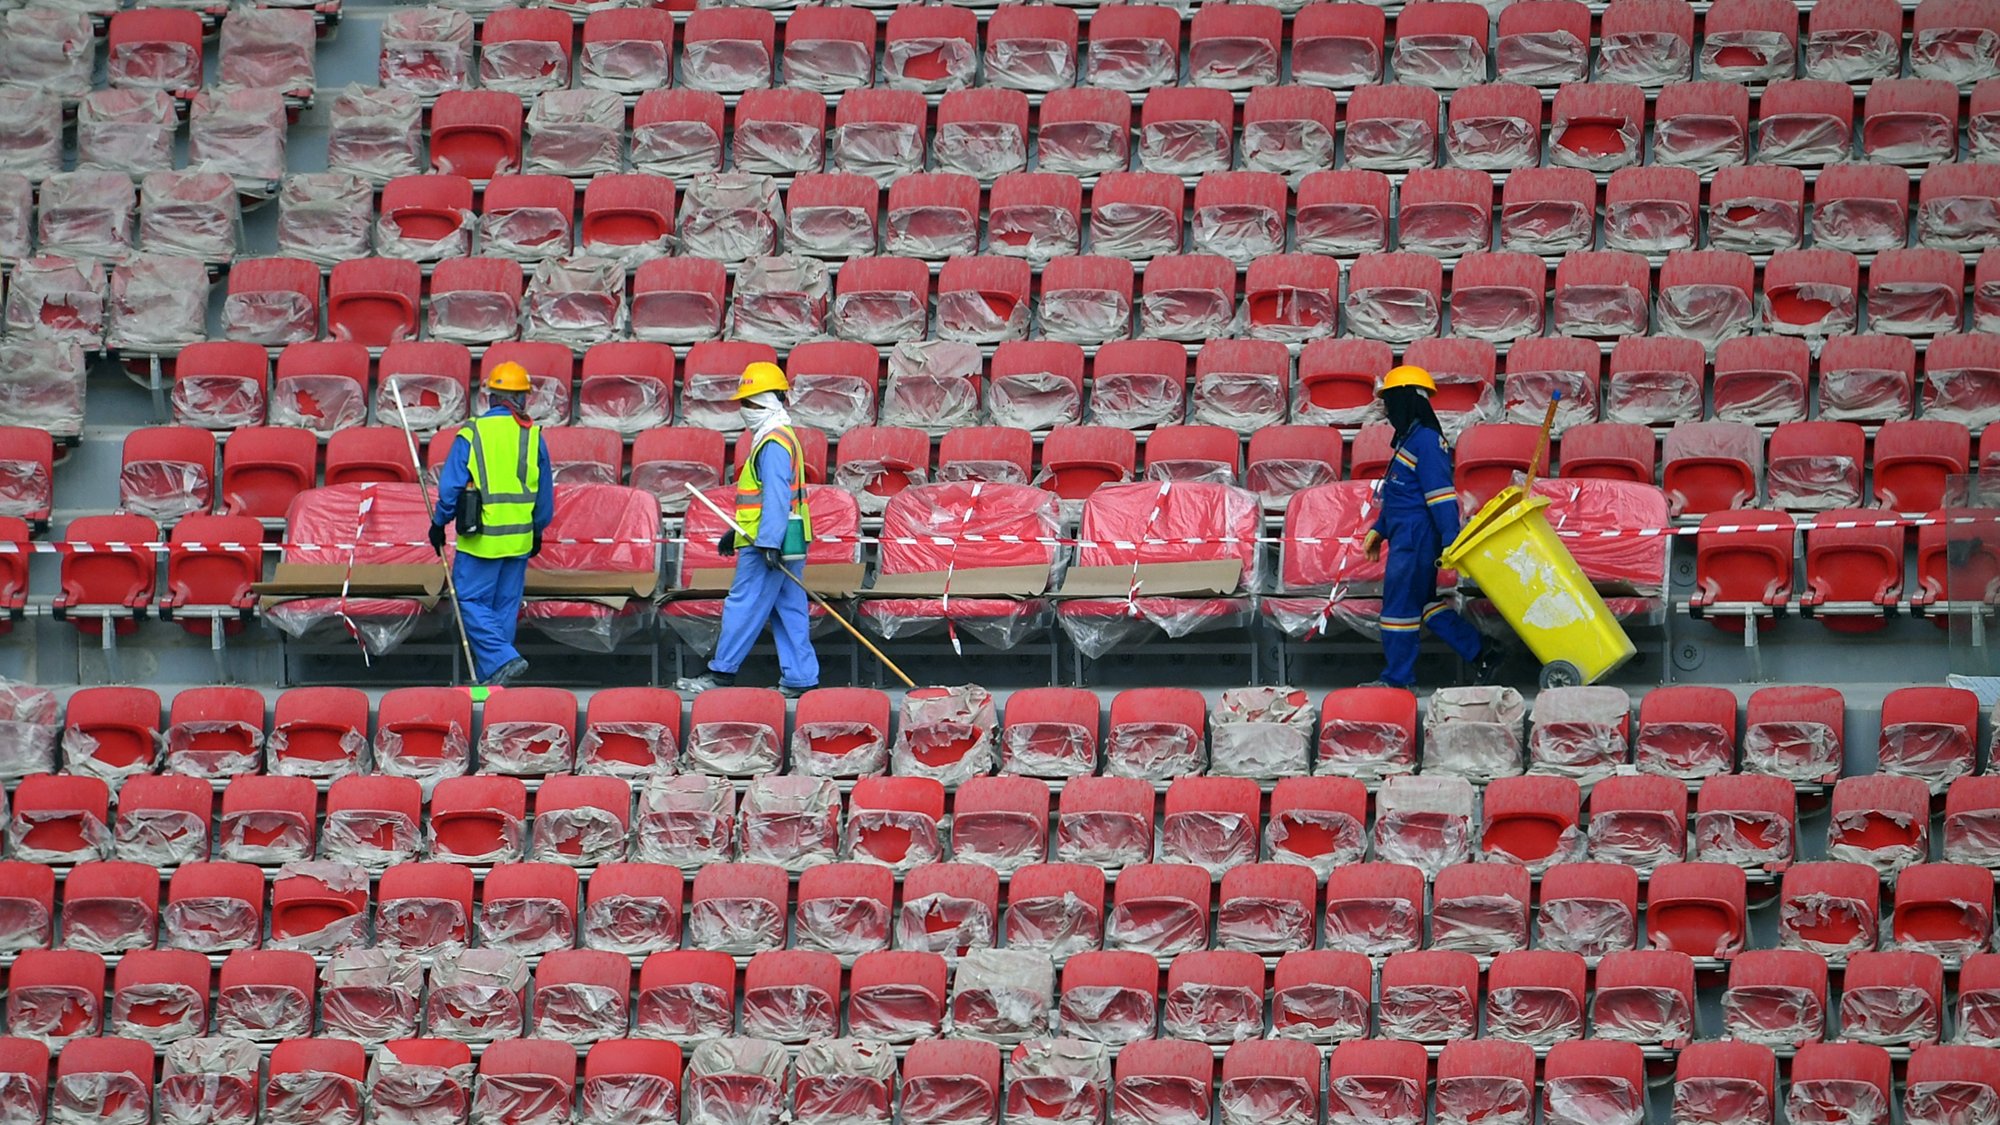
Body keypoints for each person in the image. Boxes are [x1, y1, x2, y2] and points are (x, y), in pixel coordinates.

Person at [678, 361, 820, 697]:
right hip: (789, 539)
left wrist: (767, 542)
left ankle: (721, 673)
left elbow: (776, 497)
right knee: (788, 609)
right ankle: (801, 678)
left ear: (767, 402)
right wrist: (739, 532)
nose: (745, 410)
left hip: (767, 544)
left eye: (750, 403)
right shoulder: (782, 436)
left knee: (743, 604)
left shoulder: (771, 442)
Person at [1362, 365, 1503, 690]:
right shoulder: (1409, 439)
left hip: (1415, 540)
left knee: (1398, 609)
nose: (1387, 410)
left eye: (1390, 401)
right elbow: (1400, 495)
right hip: (1405, 536)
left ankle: (1397, 680)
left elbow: (1440, 496)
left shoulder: (1426, 441)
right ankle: (1483, 651)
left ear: (1406, 401)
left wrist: (1450, 539)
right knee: (1424, 603)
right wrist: (1379, 529)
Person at [429, 360, 554, 687]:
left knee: (469, 601)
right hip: (519, 540)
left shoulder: (472, 432)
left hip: (481, 539)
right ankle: (495, 679)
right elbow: (544, 492)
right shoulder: (533, 435)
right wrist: (538, 529)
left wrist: (439, 522)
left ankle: (503, 659)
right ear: (522, 398)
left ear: (492, 397)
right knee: (504, 607)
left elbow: (451, 487)